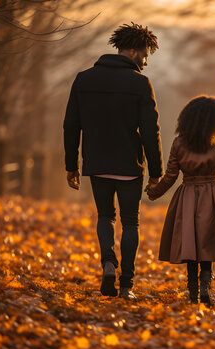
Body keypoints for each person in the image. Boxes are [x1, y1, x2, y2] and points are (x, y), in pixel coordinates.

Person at [63, 23, 163, 300]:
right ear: (132, 51)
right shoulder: (140, 84)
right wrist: (157, 172)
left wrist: (72, 165)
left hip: (97, 164)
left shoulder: (83, 79)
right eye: (145, 55)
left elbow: (71, 125)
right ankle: (126, 285)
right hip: (129, 165)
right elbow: (150, 130)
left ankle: (108, 262)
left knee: (105, 216)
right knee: (131, 223)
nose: (145, 61)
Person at [145, 95, 215, 305]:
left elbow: (170, 176)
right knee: (206, 243)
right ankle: (206, 284)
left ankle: (193, 290)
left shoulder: (179, 143)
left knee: (190, 242)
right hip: (213, 197)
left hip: (187, 196)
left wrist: (154, 192)